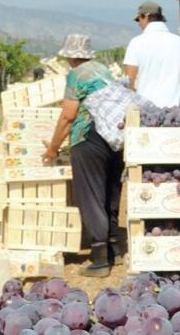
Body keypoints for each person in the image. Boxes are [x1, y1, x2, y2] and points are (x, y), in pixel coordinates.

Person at [42, 34, 124, 277]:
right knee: (110, 191)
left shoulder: (76, 75)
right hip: (113, 137)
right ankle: (115, 249)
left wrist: (53, 148)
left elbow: (68, 116)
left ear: (70, 56)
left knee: (90, 195)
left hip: (88, 138)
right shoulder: (103, 71)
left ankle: (99, 260)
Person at [123, 1, 180, 108]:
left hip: (146, 111)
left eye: (139, 19)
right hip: (173, 114)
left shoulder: (136, 43)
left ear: (145, 16)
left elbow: (129, 81)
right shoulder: (179, 42)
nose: (139, 24)